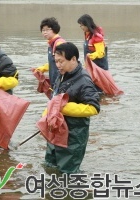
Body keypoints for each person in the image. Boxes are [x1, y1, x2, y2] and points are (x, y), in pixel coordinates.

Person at [44, 42, 100, 175]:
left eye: (61, 61)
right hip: (57, 130)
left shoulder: (84, 80)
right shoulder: (62, 74)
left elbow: (94, 108)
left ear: (73, 59)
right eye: (56, 61)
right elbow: (56, 98)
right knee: (50, 166)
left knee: (68, 173)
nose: (58, 65)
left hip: (74, 135)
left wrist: (63, 108)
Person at [35, 17, 66, 90]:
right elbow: (54, 61)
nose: (45, 32)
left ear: (54, 29)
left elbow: (64, 63)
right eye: (43, 30)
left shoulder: (59, 43)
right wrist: (44, 68)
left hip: (61, 82)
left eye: (47, 30)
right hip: (55, 81)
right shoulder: (51, 44)